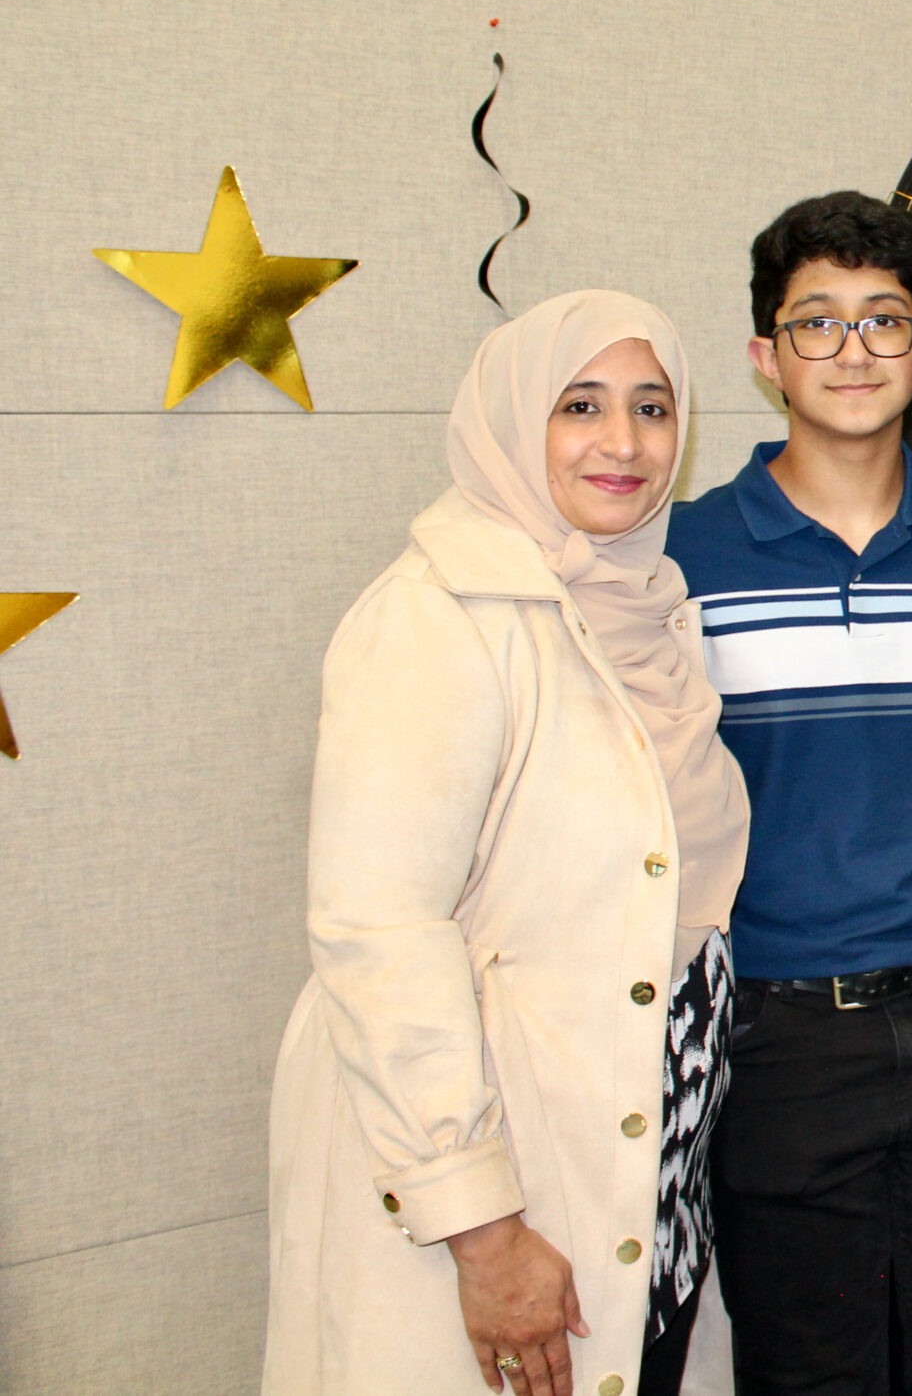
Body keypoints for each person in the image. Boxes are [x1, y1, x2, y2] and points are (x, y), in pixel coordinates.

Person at [265, 292, 751, 1396]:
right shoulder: (439, 616)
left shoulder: (648, 608)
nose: (622, 442)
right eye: (580, 405)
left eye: (651, 408)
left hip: (649, 1162)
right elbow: (378, 929)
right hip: (500, 1173)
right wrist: (480, 1227)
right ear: (510, 418)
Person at [665, 191, 912, 1393]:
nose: (852, 351)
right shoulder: (683, 557)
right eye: (817, 322)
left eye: (884, 320)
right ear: (764, 355)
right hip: (777, 1036)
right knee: (808, 1372)